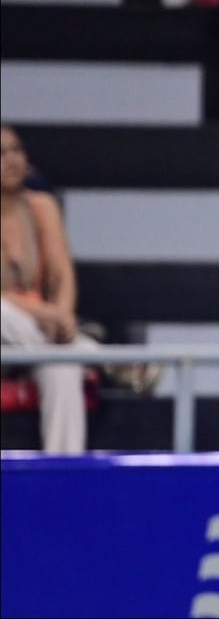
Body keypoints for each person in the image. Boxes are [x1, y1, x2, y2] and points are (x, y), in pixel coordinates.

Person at [1, 125, 90, 454]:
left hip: (35, 336)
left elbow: (62, 272)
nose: (10, 160)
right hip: (10, 329)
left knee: (62, 367)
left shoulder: (42, 206)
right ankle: (87, 349)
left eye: (16, 150)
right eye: (0, 153)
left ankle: (65, 478)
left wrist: (63, 314)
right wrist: (45, 313)